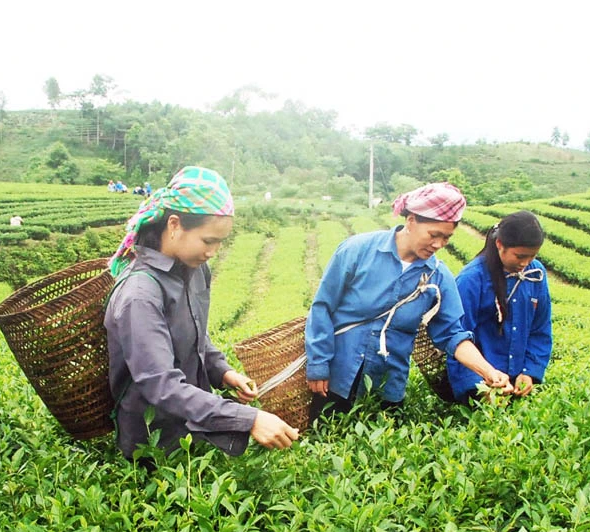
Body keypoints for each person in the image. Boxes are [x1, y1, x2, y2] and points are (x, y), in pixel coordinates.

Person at [104, 166, 299, 462]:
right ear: (174, 225)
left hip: (195, 428)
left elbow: (197, 335)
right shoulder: (140, 294)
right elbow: (161, 385)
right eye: (209, 241)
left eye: (220, 242)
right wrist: (249, 419)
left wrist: (223, 371)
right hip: (153, 446)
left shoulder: (194, 270)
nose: (213, 252)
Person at [305, 182, 510, 419]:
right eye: (434, 235)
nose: (438, 245)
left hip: (388, 385)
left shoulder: (438, 277)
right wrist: (318, 364)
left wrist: (488, 371)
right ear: (411, 221)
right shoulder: (358, 251)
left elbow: (453, 334)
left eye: (446, 238)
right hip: (335, 379)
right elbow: (322, 307)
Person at [448, 210, 552, 403]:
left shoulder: (536, 273)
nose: (525, 263)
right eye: (520, 256)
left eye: (532, 256)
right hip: (481, 385)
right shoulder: (471, 279)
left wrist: (529, 372)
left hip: (516, 385)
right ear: (499, 245)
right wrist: (478, 385)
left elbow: (540, 329)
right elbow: (458, 339)